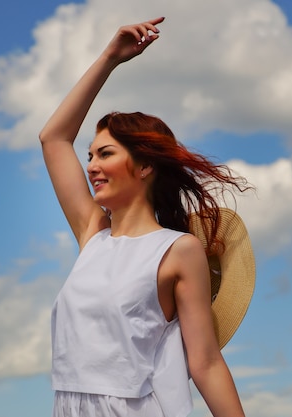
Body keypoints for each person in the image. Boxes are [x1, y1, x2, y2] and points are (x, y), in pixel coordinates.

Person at [39, 17, 252, 417]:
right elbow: (53, 138)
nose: (91, 167)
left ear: (144, 166)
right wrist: (110, 58)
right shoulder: (93, 236)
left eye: (105, 154)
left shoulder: (177, 250)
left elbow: (204, 363)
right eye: (90, 156)